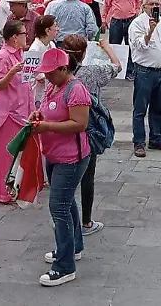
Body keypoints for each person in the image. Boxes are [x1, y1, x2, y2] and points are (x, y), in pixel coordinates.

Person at [26, 48, 91, 287]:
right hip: (53, 155)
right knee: (66, 202)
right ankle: (74, 247)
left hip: (72, 158)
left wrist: (47, 126)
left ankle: (64, 266)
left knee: (58, 207)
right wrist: (38, 115)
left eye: (51, 73)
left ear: (64, 69)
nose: (48, 77)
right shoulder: (54, 87)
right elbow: (48, 110)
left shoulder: (76, 90)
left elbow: (79, 124)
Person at [60, 35, 120, 236]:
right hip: (88, 130)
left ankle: (62, 217)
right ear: (84, 53)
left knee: (63, 178)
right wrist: (107, 47)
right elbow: (117, 66)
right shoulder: (92, 72)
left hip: (62, 127)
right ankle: (85, 221)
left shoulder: (58, 74)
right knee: (87, 177)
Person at [0, 21, 32, 205]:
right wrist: (11, 73)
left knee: (19, 154)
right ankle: (3, 192)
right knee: (7, 155)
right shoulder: (3, 56)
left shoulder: (20, 53)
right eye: (23, 33)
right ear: (15, 37)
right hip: (9, 113)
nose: (26, 36)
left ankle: (15, 187)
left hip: (22, 109)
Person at [127, 0, 161, 157]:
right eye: (152, 4)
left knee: (157, 108)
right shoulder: (137, 24)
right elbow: (139, 46)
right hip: (145, 71)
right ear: (144, 6)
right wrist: (150, 31)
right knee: (140, 109)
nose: (155, 7)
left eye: (157, 4)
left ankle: (156, 139)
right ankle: (139, 142)